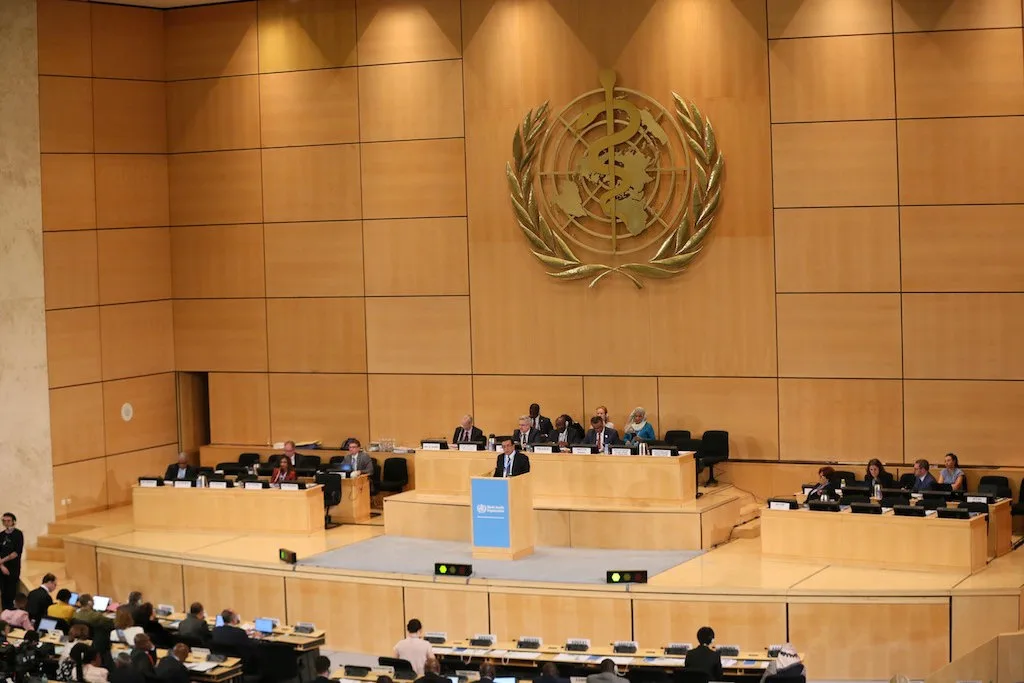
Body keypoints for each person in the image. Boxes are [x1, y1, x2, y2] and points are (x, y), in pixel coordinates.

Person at [0, 512, 25, 610]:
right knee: (3, 592)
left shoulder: (18, 534)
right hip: (2, 568)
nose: (6, 523)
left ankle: (12, 612)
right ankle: (4, 613)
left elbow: (16, 553)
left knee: (11, 592)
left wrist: (1, 561)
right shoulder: (1, 535)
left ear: (13, 521)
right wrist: (1, 566)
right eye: (4, 521)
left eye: (8, 521)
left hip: (13, 567)